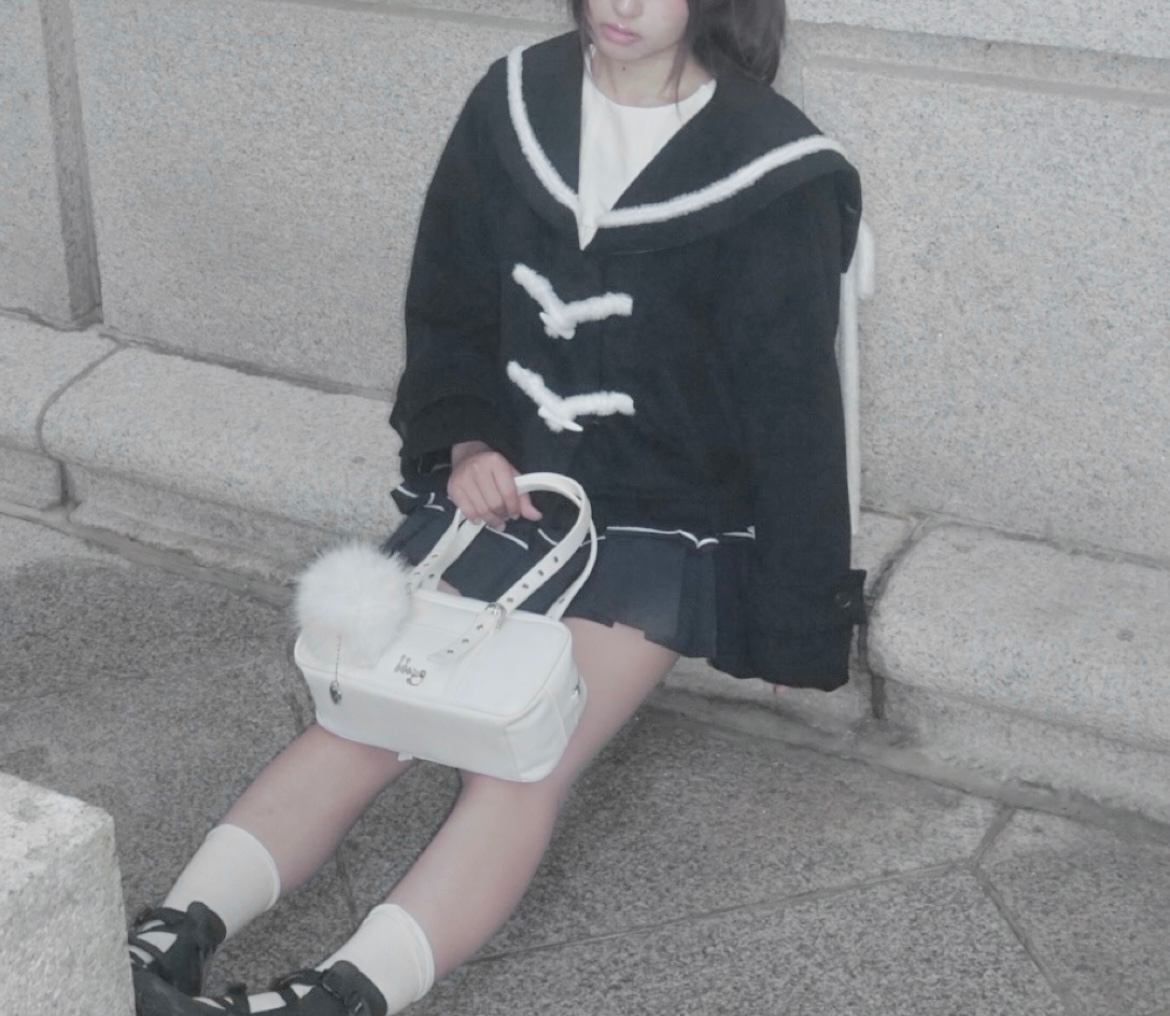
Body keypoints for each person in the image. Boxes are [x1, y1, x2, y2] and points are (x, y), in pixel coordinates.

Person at [129, 1, 867, 1013]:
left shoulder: (773, 166)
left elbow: (794, 410)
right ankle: (167, 937)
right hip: (514, 487)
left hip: (666, 518)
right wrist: (469, 442)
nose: (624, 3)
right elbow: (449, 306)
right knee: (367, 714)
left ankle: (340, 996)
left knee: (526, 757)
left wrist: (798, 609)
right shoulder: (516, 101)